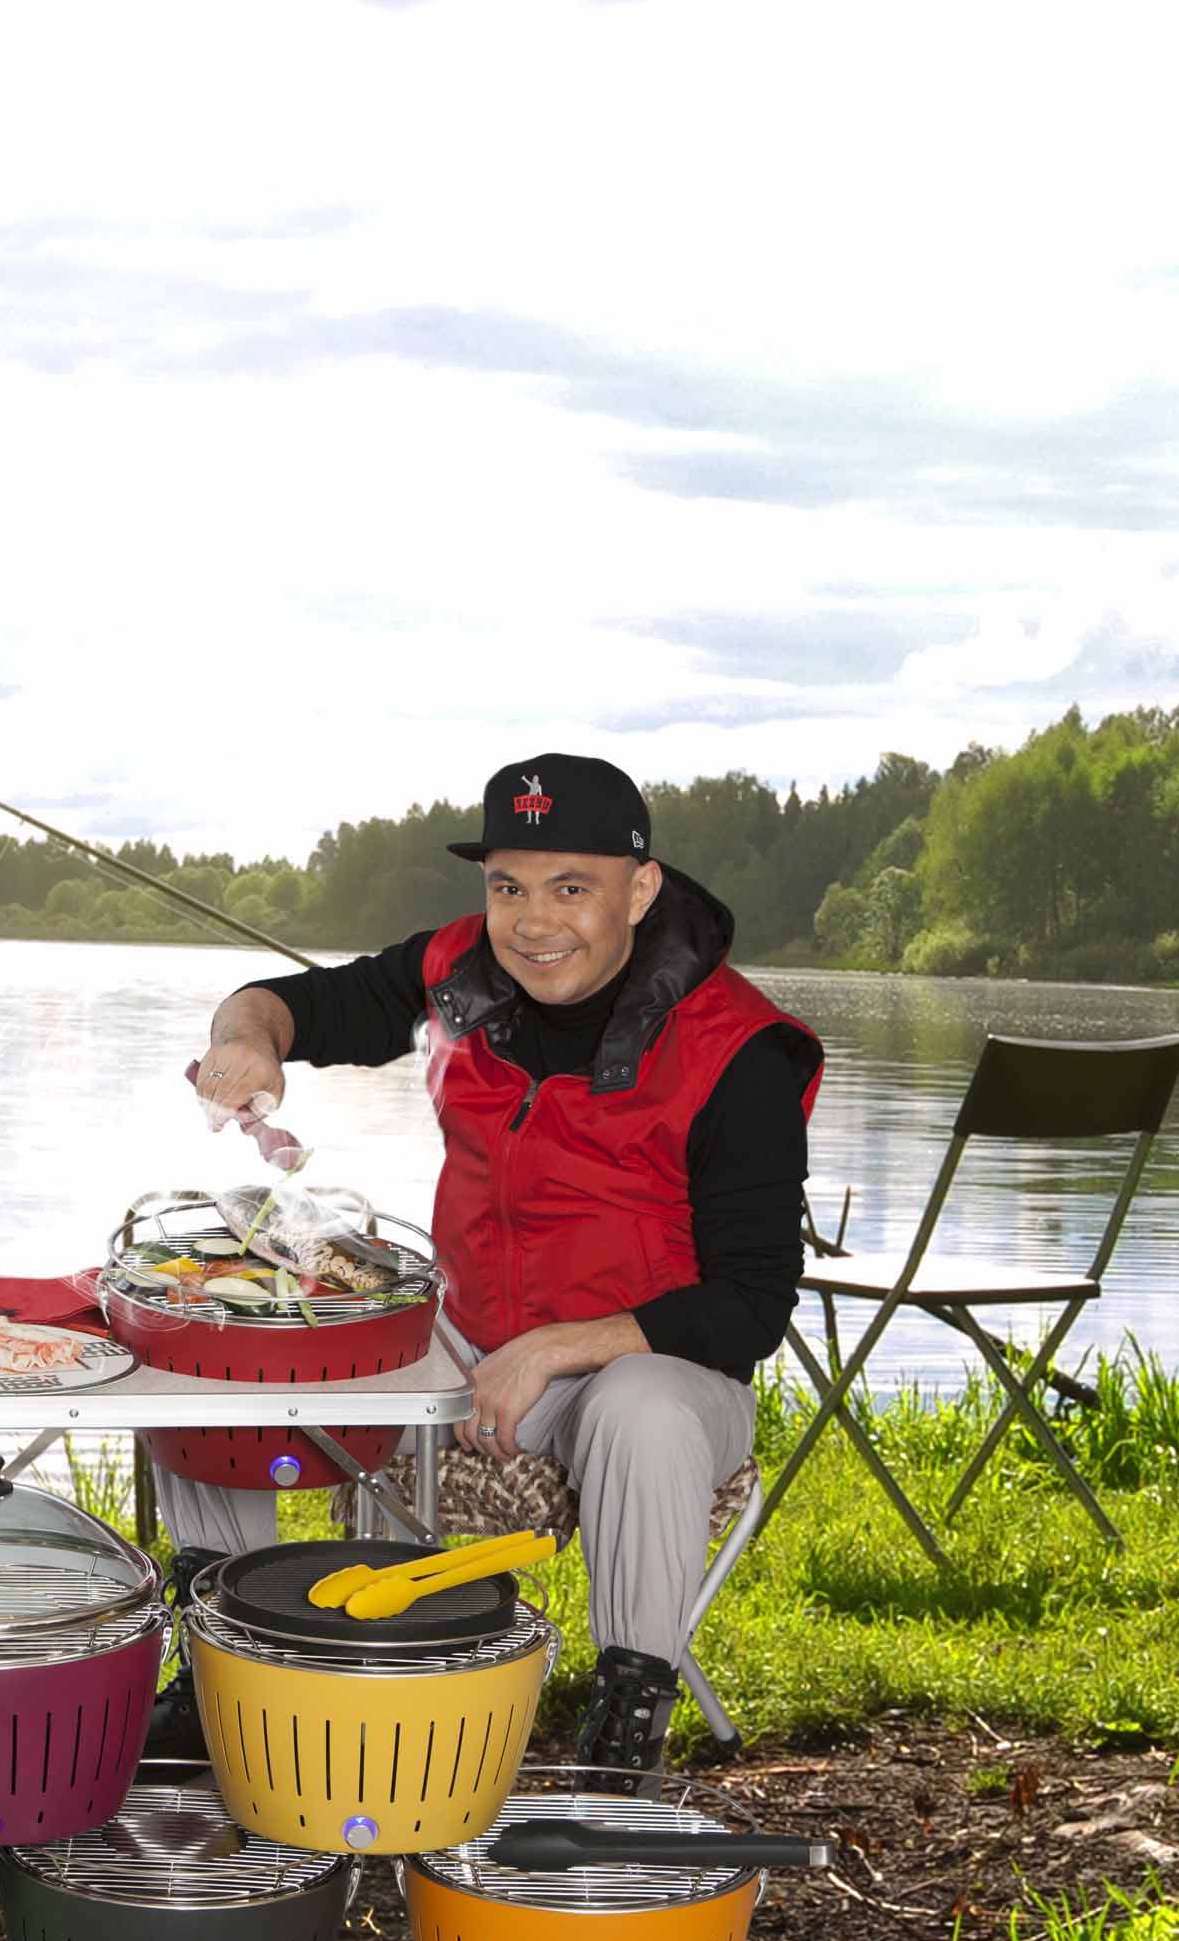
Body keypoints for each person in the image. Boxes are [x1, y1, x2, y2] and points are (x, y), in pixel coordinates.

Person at [169, 749, 820, 1777]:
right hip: (462, 1340)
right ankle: (217, 1661)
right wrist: (245, 1040)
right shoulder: (457, 972)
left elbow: (750, 1306)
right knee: (231, 1319)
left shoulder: (739, 1050)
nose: (531, 921)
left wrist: (559, 1349)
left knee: (637, 1405)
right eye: (507, 886)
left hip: (650, 1373)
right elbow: (289, 1004)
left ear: (640, 889)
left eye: (572, 888)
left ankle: (624, 1727)